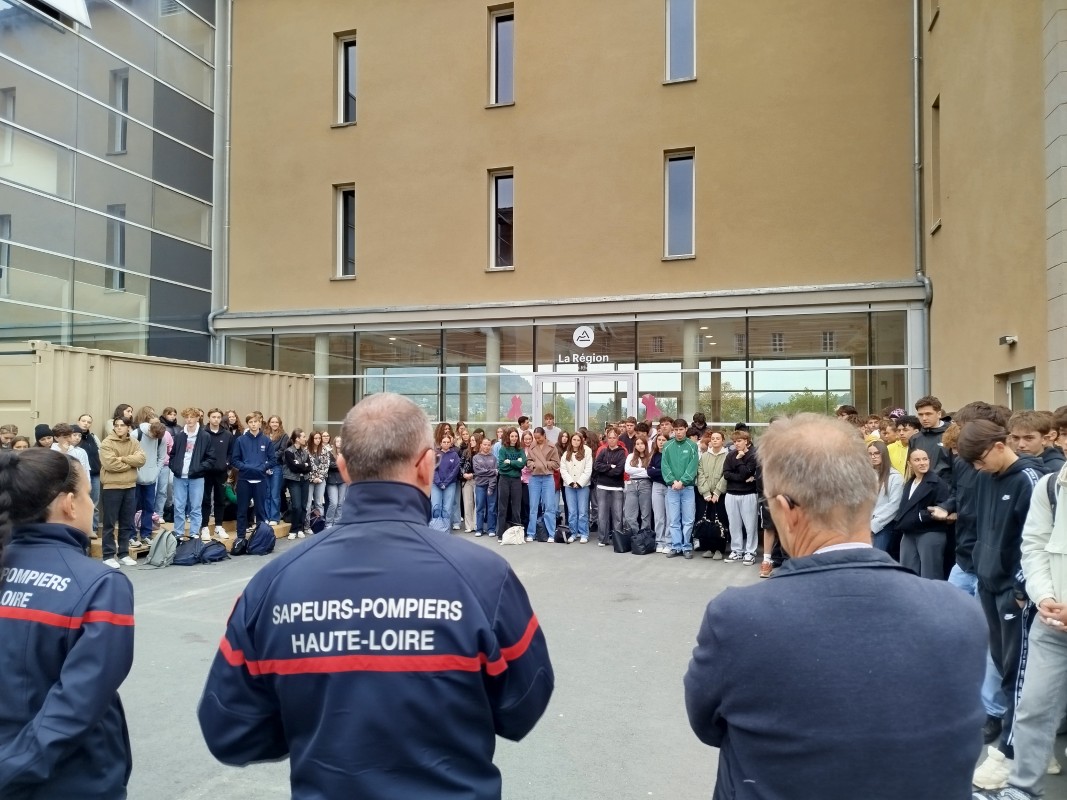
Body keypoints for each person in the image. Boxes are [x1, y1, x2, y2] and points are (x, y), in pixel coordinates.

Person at [197, 393, 554, 798]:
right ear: (426, 464)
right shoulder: (485, 577)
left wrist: (315, 725)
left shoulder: (275, 582)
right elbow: (522, 706)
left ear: (345, 469)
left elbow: (230, 729)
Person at [683, 413, 987, 800]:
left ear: (785, 509)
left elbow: (707, 725)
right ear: (869, 495)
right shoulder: (959, 612)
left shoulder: (739, 618)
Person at [0, 448, 135, 799]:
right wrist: (13, 768)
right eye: (90, 496)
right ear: (69, 504)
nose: (93, 506)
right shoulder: (101, 585)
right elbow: (78, 703)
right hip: (72, 777)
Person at [958, 420, 1050, 790]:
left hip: (1016, 592)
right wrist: (978, 567)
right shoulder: (983, 477)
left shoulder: (1028, 479)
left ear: (999, 445)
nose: (978, 468)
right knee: (1001, 664)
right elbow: (977, 528)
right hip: (988, 583)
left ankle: (1009, 756)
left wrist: (1020, 586)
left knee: (1018, 675)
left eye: (980, 459)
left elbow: (1032, 540)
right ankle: (1032, 749)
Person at [972, 462, 1067, 800]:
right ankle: (1023, 789)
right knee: (1033, 708)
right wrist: (1044, 597)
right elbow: (1034, 546)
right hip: (1053, 622)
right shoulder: (1052, 486)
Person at [893, 447, 951, 579]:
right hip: (909, 532)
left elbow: (943, 507)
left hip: (930, 533)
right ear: (909, 463)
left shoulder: (937, 483)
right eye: (917, 460)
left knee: (930, 574)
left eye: (925, 459)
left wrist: (920, 516)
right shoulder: (909, 483)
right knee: (907, 572)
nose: (922, 463)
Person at [99, 417, 146, 568]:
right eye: (116, 425)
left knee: (127, 522)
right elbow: (110, 464)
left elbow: (142, 459)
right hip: (112, 486)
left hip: (130, 485)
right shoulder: (107, 442)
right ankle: (107, 555)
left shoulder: (134, 442)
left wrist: (123, 458)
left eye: (122, 425)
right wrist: (130, 464)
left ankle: (124, 553)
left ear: (128, 427)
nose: (119, 428)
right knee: (109, 523)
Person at [169, 409, 217, 541]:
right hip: (179, 477)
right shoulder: (180, 436)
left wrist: (199, 468)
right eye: (186, 417)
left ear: (198, 418)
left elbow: (211, 458)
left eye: (192, 417)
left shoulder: (205, 436)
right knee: (179, 507)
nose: (189, 420)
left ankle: (194, 533)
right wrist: (174, 467)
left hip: (197, 477)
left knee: (195, 507)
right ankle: (178, 533)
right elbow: (172, 455)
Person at [229, 413, 274, 541]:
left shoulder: (266, 440)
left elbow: (272, 460)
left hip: (261, 480)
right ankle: (241, 538)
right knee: (242, 511)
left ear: (260, 423)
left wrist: (262, 467)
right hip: (244, 480)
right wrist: (246, 467)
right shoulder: (240, 440)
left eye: (256, 421)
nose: (253, 424)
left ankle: (260, 539)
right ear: (248, 424)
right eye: (251, 422)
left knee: (260, 511)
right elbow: (235, 460)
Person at [662, 418, 698, 559]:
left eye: (681, 429)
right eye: (676, 430)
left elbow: (693, 466)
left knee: (688, 519)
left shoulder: (692, 446)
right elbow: (665, 466)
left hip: (687, 488)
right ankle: (676, 546)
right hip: (672, 489)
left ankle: (686, 546)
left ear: (686, 429)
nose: (678, 433)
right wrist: (672, 481)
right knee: (674, 519)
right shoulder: (667, 446)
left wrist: (682, 481)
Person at [722, 430, 759, 564]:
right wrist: (742, 477)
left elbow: (747, 472)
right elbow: (726, 474)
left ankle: (750, 552)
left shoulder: (752, 455)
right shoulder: (730, 455)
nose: (736, 444)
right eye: (735, 441)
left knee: (750, 525)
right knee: (734, 525)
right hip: (731, 493)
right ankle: (737, 550)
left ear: (746, 441)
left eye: (739, 441)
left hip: (748, 494)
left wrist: (739, 461)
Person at [131, 418, 167, 548]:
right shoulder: (136, 434)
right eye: (152, 435)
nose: (153, 438)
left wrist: (155, 473)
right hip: (135, 476)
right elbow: (130, 454)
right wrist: (136, 471)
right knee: (132, 506)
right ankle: (131, 535)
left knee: (149, 507)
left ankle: (146, 534)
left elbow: (162, 457)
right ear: (150, 429)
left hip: (151, 478)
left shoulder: (161, 438)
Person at [200, 408, 233, 540]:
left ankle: (219, 526)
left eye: (218, 417)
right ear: (209, 418)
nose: (216, 419)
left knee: (220, 499)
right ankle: (204, 527)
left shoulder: (227, 434)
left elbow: (231, 453)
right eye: (213, 417)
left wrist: (227, 464)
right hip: (205, 472)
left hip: (221, 473)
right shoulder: (202, 433)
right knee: (205, 500)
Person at [696, 430, 728, 560]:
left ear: (722, 441)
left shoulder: (727, 456)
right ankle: (708, 547)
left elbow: (726, 475)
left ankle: (719, 549)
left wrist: (717, 492)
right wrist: (705, 492)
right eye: (713, 438)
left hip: (719, 495)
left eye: (718, 438)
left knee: (720, 521)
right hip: (706, 495)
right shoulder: (704, 456)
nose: (715, 440)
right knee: (707, 520)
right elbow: (700, 473)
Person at [593, 426, 627, 546]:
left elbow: (619, 470)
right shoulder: (603, 451)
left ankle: (617, 539)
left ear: (617, 438)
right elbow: (596, 466)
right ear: (606, 438)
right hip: (602, 487)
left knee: (617, 515)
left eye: (614, 438)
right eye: (609, 438)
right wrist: (609, 466)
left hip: (617, 487)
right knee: (602, 515)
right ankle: (603, 539)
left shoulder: (622, 453)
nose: (611, 440)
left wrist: (607, 469)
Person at [868, 439, 903, 553]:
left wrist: (874, 525)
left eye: (877, 453)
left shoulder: (895, 477)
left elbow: (895, 505)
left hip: (883, 526)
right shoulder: (865, 476)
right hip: (864, 525)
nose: (873, 457)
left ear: (884, 454)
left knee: (877, 559)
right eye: (870, 454)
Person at [525, 427, 560, 542]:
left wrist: (543, 464)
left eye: (538, 438)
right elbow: (528, 461)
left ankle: (551, 533)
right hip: (534, 478)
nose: (537, 440)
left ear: (544, 435)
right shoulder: (532, 446)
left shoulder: (552, 446)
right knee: (533, 506)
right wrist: (534, 465)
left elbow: (556, 463)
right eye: (535, 438)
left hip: (547, 478)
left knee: (549, 506)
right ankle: (531, 532)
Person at [560, 431, 592, 544]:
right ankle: (573, 533)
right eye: (574, 440)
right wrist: (570, 482)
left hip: (583, 486)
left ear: (581, 441)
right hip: (569, 486)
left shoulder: (587, 451)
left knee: (583, 511)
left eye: (578, 440)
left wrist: (579, 482)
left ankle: (584, 533)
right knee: (572, 511)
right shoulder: (566, 453)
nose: (576, 442)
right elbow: (563, 469)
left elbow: (588, 469)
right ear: (571, 440)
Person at [283, 428, 312, 539]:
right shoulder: (289, 451)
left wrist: (302, 465)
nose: (305, 439)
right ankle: (294, 529)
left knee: (304, 506)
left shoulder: (305, 452)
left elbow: (309, 467)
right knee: (296, 506)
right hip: (294, 481)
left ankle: (300, 528)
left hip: (304, 480)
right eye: (303, 437)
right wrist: (302, 465)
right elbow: (293, 468)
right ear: (297, 439)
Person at [496, 427, 525, 536]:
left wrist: (509, 462)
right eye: (512, 436)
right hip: (504, 480)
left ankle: (517, 534)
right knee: (502, 507)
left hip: (516, 481)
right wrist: (515, 463)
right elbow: (502, 466)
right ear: (508, 437)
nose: (514, 438)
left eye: (516, 436)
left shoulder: (520, 450)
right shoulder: (503, 449)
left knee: (516, 508)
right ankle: (500, 534)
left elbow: (522, 465)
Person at [430, 431, 461, 532]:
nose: (446, 444)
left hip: (450, 484)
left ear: (451, 443)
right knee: (436, 506)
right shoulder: (436, 454)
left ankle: (445, 530)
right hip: (436, 484)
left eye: (448, 442)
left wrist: (446, 483)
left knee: (447, 508)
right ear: (440, 443)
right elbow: (433, 469)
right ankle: (435, 529)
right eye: (444, 442)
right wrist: (439, 483)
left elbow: (455, 470)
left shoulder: (454, 455)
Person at [623, 433, 652, 534]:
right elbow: (627, 469)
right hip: (632, 484)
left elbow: (650, 473)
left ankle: (645, 536)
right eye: (637, 443)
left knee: (646, 514)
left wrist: (637, 470)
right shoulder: (631, 456)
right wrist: (643, 470)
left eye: (642, 443)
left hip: (645, 484)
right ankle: (635, 535)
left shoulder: (650, 457)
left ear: (646, 445)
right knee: (629, 514)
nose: (640, 446)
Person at [648, 432, 671, 553]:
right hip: (656, 487)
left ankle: (668, 542)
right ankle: (659, 541)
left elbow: (670, 471)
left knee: (669, 516)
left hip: (669, 486)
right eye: (659, 440)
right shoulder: (654, 455)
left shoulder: (671, 454)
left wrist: (657, 471)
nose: (661, 442)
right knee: (659, 516)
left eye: (663, 440)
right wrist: (660, 471)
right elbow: (649, 472)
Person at [265, 415, 290, 524]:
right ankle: (266, 516)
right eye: (272, 422)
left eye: (276, 422)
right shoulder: (263, 435)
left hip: (276, 466)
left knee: (275, 493)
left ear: (279, 424)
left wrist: (270, 459)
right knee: (266, 493)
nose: (274, 424)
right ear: (269, 423)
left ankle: (274, 517)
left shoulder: (284, 436)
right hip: (264, 466)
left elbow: (282, 451)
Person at [472, 436, 498, 537]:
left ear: (490, 446)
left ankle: (491, 529)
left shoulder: (493, 458)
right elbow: (478, 471)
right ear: (481, 445)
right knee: (480, 508)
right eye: (485, 444)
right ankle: (479, 529)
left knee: (491, 508)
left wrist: (491, 486)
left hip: (491, 486)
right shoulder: (476, 458)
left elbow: (495, 474)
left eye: (488, 445)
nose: (486, 446)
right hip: (480, 486)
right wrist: (491, 472)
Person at [324, 434, 347, 528]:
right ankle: (328, 523)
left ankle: (337, 523)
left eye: (341, 441)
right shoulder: (329, 453)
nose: (339, 443)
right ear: (334, 443)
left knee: (341, 503)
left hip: (343, 481)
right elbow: (330, 466)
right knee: (334, 503)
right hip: (332, 481)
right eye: (337, 441)